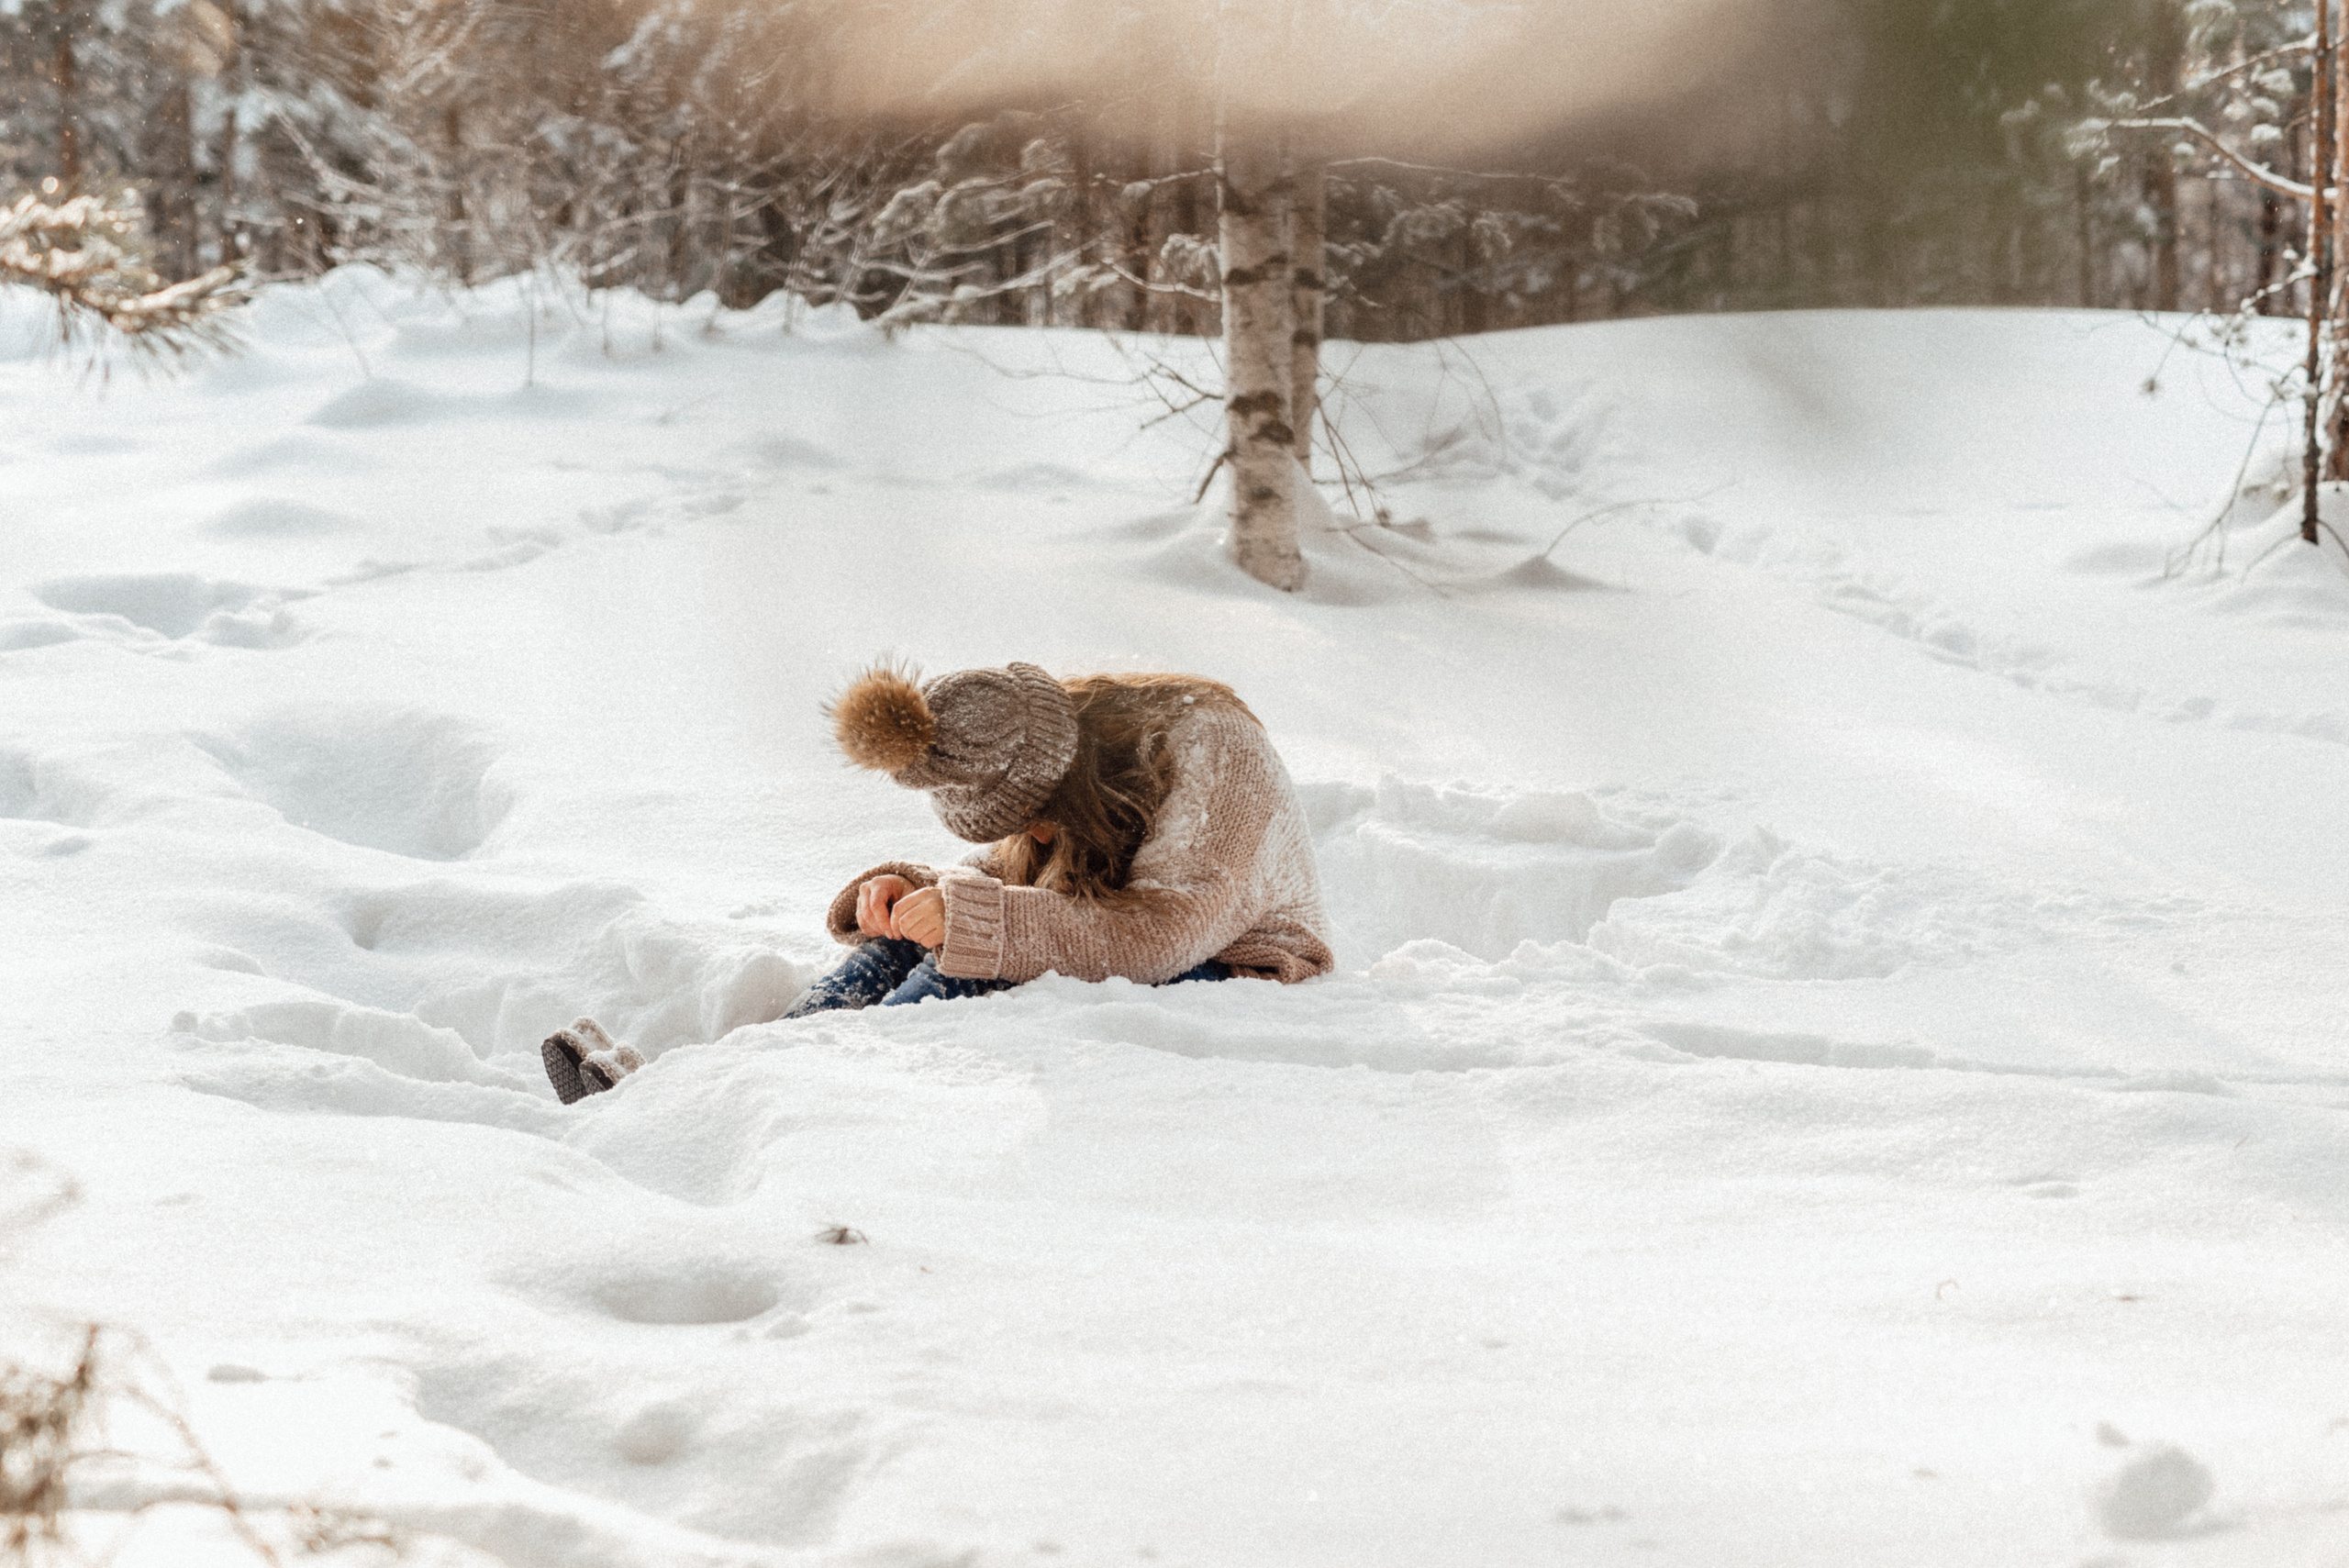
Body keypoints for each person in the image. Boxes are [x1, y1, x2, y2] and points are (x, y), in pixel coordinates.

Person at [541, 661, 1335, 1104]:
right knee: (903, 948)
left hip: (1237, 962)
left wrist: (965, 920)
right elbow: (1001, 883)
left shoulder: (1213, 754)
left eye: (1036, 822)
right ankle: (712, 1085)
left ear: (1068, 779)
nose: (1032, 843)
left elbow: (1158, 933)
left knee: (968, 954)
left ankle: (763, 1094)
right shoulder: (1069, 769)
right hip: (1129, 940)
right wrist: (903, 891)